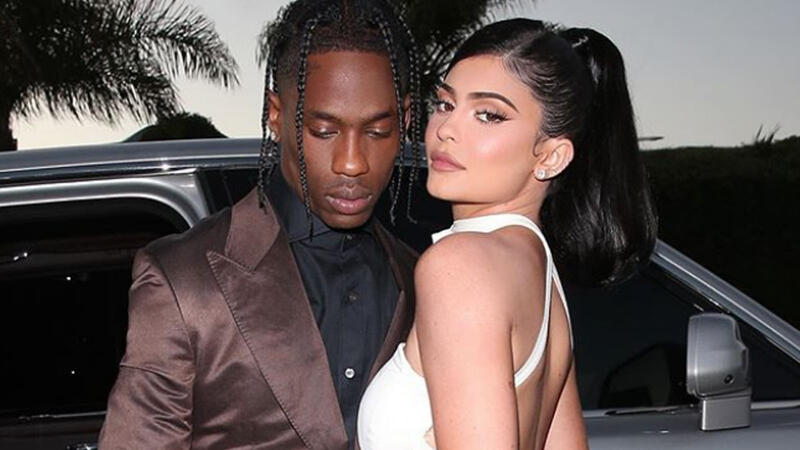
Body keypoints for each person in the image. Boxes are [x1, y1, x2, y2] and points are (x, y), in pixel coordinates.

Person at [99, 0, 424, 448]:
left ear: (405, 120)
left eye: (377, 131)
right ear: (276, 115)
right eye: (324, 131)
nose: (352, 163)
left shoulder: (422, 279)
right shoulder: (183, 278)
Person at [358, 18, 657, 449]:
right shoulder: (543, 280)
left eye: (488, 115)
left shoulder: (460, 265)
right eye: (445, 103)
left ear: (551, 157)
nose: (445, 129)